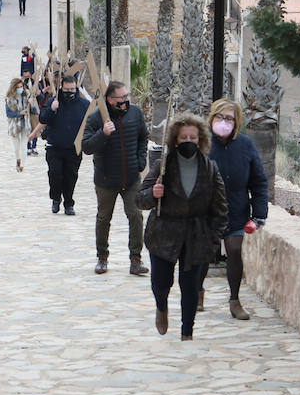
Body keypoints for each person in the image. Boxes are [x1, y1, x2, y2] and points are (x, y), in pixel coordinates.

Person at [137, 113, 228, 340]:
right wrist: (153, 193)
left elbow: (220, 207)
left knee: (190, 286)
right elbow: (140, 199)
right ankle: (161, 308)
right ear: (175, 140)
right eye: (183, 137)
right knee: (161, 283)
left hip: (196, 236)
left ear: (201, 140)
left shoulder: (210, 168)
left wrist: (213, 239)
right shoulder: (163, 166)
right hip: (163, 233)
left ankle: (187, 331)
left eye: (193, 137)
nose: (188, 141)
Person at [207, 97, 269, 320]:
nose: (224, 121)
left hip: (236, 210)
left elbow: (259, 181)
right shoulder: (202, 143)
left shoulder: (246, 145)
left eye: (229, 118)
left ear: (237, 122)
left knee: (234, 251)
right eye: (220, 117)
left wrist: (259, 215)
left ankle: (234, 300)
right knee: (200, 254)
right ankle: (196, 293)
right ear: (212, 117)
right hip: (206, 212)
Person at [83, 81, 150, 275]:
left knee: (136, 215)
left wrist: (140, 161)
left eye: (127, 96)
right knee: (104, 218)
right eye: (121, 98)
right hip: (106, 179)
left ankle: (135, 259)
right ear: (110, 100)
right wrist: (103, 134)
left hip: (131, 178)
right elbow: (87, 146)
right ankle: (102, 258)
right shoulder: (97, 118)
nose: (126, 101)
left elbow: (142, 137)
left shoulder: (135, 113)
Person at [38, 73, 89, 215]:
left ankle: (68, 203)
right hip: (55, 146)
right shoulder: (53, 101)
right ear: (61, 88)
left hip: (74, 148)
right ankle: (55, 197)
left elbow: (91, 123)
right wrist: (52, 109)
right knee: (55, 174)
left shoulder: (84, 105)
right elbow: (42, 118)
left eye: (72, 89)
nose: (70, 92)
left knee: (70, 176)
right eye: (67, 90)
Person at [4, 77, 36, 172]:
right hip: (14, 125)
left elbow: (34, 111)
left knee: (23, 145)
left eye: (21, 86)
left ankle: (22, 165)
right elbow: (8, 114)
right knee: (16, 147)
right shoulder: (9, 98)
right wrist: (19, 113)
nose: (20, 89)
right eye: (18, 87)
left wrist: (32, 104)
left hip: (25, 124)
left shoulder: (27, 96)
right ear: (14, 88)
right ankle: (18, 160)